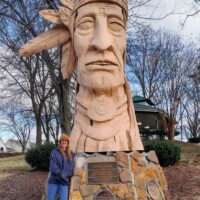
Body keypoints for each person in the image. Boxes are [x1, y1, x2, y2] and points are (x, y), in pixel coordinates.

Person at [47, 134, 75, 200]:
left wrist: (66, 176)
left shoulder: (71, 154)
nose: (64, 142)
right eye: (62, 140)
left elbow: (71, 168)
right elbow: (53, 167)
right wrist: (62, 175)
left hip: (64, 181)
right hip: (54, 180)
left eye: (66, 140)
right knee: (50, 198)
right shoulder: (54, 152)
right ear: (60, 142)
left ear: (68, 142)